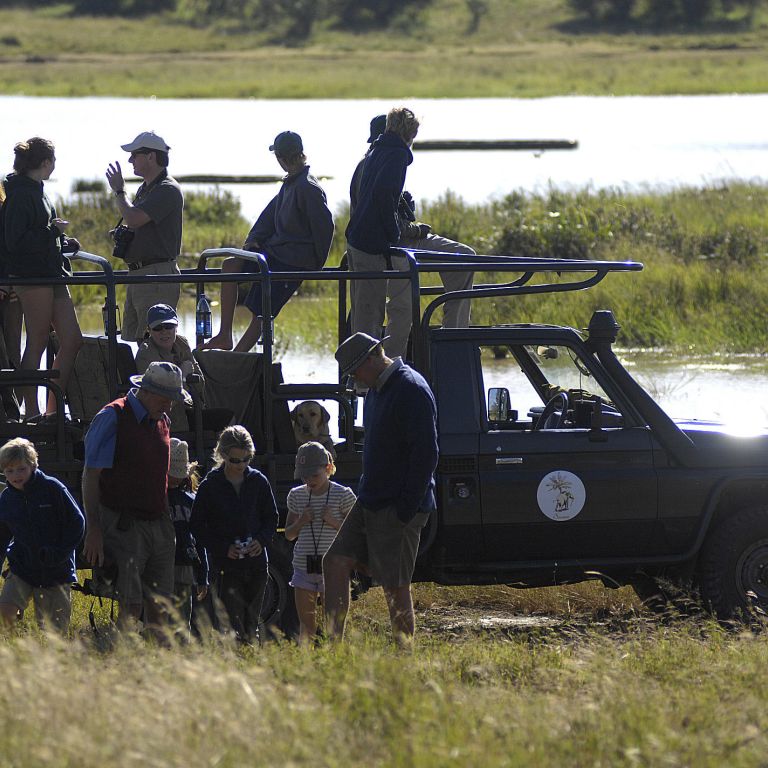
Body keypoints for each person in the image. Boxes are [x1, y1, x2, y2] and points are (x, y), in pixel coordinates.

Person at [324, 333, 438, 647]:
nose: (354, 379)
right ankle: (332, 651)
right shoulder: (375, 390)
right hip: (370, 499)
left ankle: (404, 657)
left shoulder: (411, 388)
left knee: (395, 586)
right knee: (334, 561)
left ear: (373, 357)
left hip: (398, 505)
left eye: (355, 371)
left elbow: (426, 454)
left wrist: (405, 509)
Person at [82, 361, 190, 636]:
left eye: (172, 401)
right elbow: (91, 475)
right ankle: (123, 656)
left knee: (161, 606)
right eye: (165, 399)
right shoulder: (113, 417)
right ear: (147, 391)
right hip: (124, 524)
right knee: (130, 606)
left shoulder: (162, 420)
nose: (169, 407)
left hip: (159, 522)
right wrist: (94, 528)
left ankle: (155, 659)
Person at [203, 131, 334, 352]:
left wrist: (314, 266)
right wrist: (253, 241)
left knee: (262, 312)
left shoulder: (308, 187)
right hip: (274, 253)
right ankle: (224, 335)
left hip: (292, 262)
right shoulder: (290, 183)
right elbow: (268, 217)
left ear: (281, 158)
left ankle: (237, 357)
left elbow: (325, 228)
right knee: (230, 266)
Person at [352, 114, 475, 331]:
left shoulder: (371, 161)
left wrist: (403, 207)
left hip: (383, 242)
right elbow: (382, 210)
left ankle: (453, 334)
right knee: (395, 307)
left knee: (463, 258)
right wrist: (413, 229)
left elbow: (383, 204)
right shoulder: (388, 158)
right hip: (391, 244)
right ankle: (453, 335)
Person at [2, 137, 83, 420]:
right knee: (36, 340)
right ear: (46, 162)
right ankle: (32, 414)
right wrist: (52, 232)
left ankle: (52, 409)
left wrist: (62, 240)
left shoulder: (38, 190)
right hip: (32, 276)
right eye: (54, 160)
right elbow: (15, 242)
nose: (55, 165)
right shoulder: (20, 193)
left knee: (72, 339)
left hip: (52, 273)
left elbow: (42, 232)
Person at [190, 425, 278, 643]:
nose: (241, 465)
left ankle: (251, 656)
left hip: (257, 564)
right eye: (235, 460)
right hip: (226, 567)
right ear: (222, 455)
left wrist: (261, 541)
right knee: (232, 626)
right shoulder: (210, 485)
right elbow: (197, 526)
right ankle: (237, 657)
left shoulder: (259, 481)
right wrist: (223, 548)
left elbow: (271, 518)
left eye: (246, 459)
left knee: (251, 624)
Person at [345, 107, 420, 360]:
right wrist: (393, 233)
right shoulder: (396, 154)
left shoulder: (376, 151)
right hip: (370, 244)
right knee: (370, 315)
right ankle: (367, 373)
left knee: (363, 313)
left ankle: (360, 370)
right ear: (409, 131)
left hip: (357, 239)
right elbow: (384, 195)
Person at [105, 131, 184, 343]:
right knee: (139, 340)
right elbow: (137, 222)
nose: (130, 160)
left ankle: (169, 366)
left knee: (156, 341)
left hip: (156, 276)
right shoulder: (148, 188)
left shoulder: (167, 189)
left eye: (135, 155)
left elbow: (133, 218)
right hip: (141, 275)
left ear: (151, 156)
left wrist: (119, 191)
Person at [0, 438, 85, 633]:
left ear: (32, 465)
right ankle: (15, 645)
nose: (15, 475)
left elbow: (77, 522)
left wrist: (59, 553)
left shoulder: (52, 488)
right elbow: (2, 536)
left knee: (53, 631)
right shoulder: (7, 498)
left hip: (55, 570)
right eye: (9, 471)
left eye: (21, 469)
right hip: (22, 567)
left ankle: (45, 650)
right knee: (5, 612)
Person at [284, 442, 356, 644]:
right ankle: (308, 661)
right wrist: (301, 522)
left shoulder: (343, 495)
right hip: (303, 567)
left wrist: (333, 521)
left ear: (328, 468)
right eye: (304, 476)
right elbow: (288, 534)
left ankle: (333, 659)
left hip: (332, 568)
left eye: (314, 475)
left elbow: (356, 534)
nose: (309, 480)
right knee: (306, 627)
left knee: (333, 627)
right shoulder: (296, 495)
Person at [135, 303, 204, 431]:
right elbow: (158, 401)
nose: (164, 332)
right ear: (149, 330)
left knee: (228, 417)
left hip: (191, 410)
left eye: (169, 326)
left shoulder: (182, 343)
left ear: (176, 327)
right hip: (165, 421)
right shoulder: (146, 354)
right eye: (158, 328)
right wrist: (182, 377)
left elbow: (201, 384)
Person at [167, 438, 208, 636]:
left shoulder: (191, 500)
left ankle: (181, 650)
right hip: (160, 566)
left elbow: (200, 540)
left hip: (184, 567)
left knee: (182, 623)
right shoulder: (155, 498)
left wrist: (203, 575)